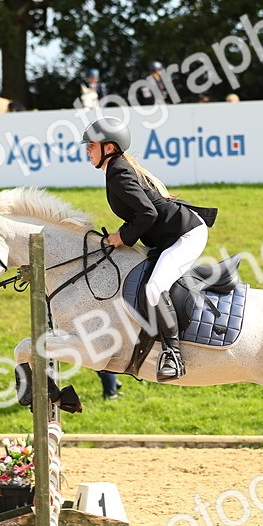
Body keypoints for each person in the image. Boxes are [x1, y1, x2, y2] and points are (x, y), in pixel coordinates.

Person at [82, 117, 215, 382]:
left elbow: (147, 213)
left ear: (109, 148)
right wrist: (120, 235)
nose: (87, 150)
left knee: (154, 288)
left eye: (92, 145)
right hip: (170, 235)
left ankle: (173, 354)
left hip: (185, 235)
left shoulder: (118, 173)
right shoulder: (117, 168)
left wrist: (123, 236)